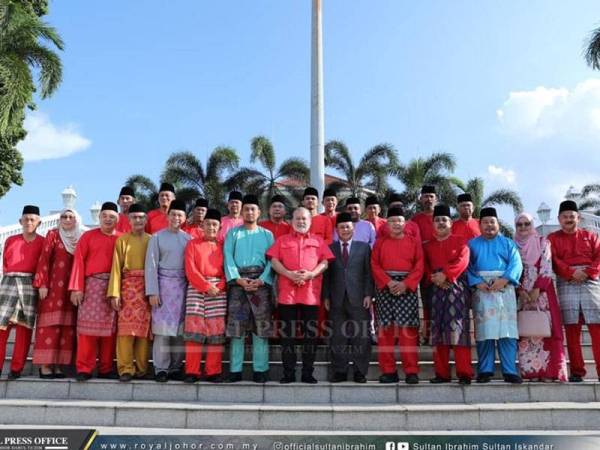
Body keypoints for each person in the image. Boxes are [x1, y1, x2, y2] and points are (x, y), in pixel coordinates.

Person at [268, 207, 334, 383]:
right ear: (291, 221)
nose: (301, 222)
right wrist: (290, 274)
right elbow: (274, 261)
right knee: (287, 336)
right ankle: (288, 374)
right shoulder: (282, 240)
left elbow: (325, 262)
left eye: (304, 219)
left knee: (310, 337)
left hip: (310, 295)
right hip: (287, 295)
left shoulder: (318, 241)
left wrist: (311, 274)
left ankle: (307, 373)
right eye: (297, 218)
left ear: (310, 222)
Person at [467, 207, 523, 384]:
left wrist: (505, 279)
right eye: (485, 222)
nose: (489, 225)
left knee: (508, 331)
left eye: (492, 222)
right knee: (485, 332)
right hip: (482, 290)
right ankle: (485, 370)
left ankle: (510, 370)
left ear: (498, 224)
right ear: (479, 224)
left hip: (504, 288)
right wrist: (476, 281)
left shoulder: (508, 243)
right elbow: (466, 266)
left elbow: (516, 263)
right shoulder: (472, 244)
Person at [547, 200, 600, 382]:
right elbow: (553, 260)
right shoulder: (552, 239)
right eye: (565, 217)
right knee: (572, 330)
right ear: (559, 219)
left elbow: (599, 257)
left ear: (578, 217)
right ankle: (577, 371)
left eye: (572, 216)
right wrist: (570, 272)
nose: (569, 219)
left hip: (590, 282)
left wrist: (587, 272)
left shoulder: (591, 236)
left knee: (597, 329)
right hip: (567, 282)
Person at [224, 194, 274, 383]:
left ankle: (260, 370)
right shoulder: (233, 233)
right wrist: (237, 279)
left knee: (260, 327)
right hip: (239, 284)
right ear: (241, 212)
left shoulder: (267, 234)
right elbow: (228, 256)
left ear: (259, 212)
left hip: (260, 285)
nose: (250, 212)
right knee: (237, 327)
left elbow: (272, 260)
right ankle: (235, 370)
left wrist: (262, 279)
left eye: (253, 209)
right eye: (247, 209)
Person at [371, 207, 424, 384]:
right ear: (387, 223)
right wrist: (388, 282)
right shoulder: (380, 242)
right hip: (385, 288)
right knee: (385, 331)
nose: (396, 224)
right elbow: (374, 265)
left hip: (406, 288)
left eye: (399, 221)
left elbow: (419, 265)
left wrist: (406, 284)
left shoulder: (414, 242)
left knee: (407, 331)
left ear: (405, 223)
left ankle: (411, 371)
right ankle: (388, 371)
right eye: (392, 221)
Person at [69, 202, 121, 381]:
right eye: (105, 216)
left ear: (118, 219)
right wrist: (77, 287)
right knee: (86, 330)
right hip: (91, 285)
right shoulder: (88, 236)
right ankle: (84, 367)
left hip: (114, 287)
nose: (108, 219)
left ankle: (106, 368)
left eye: (112, 217)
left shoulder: (122, 239)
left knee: (111, 330)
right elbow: (78, 261)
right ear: (99, 218)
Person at [514, 212, 568, 382]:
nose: (523, 227)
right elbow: (512, 268)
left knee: (547, 328)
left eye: (527, 224)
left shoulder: (542, 242)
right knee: (526, 329)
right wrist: (520, 290)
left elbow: (546, 266)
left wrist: (537, 289)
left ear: (532, 225)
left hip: (543, 292)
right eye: (519, 224)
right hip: (521, 294)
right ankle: (530, 372)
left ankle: (550, 373)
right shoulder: (512, 245)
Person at [423, 205, 473, 384]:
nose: (441, 223)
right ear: (432, 223)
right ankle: (442, 374)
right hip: (435, 290)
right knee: (438, 332)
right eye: (437, 220)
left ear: (451, 223)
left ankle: (464, 373)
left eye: (444, 220)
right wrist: (435, 278)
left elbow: (463, 261)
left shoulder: (461, 241)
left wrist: (447, 275)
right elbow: (424, 265)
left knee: (458, 331)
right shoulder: (427, 246)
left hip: (456, 289)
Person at [145, 199, 191, 382]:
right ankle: (161, 368)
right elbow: (151, 266)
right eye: (173, 214)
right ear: (167, 216)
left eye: (180, 214)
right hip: (163, 287)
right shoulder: (156, 237)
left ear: (184, 218)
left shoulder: (188, 239)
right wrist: (152, 291)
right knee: (162, 331)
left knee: (180, 332)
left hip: (182, 288)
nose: (176, 217)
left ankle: (176, 366)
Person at [323, 212, 373, 383]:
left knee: (361, 336)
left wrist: (368, 294)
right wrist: (326, 296)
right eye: (341, 227)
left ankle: (360, 371)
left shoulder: (364, 247)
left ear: (353, 228)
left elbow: (368, 273)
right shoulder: (330, 248)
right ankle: (340, 371)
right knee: (338, 336)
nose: (344, 229)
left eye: (347, 226)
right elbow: (327, 275)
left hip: (359, 298)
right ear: (337, 230)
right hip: (336, 298)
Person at [32, 208, 82, 378]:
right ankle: (45, 366)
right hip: (53, 288)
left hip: (71, 289)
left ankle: (59, 365)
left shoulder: (80, 237)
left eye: (70, 216)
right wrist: (42, 284)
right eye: (64, 216)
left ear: (76, 219)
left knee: (67, 327)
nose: (67, 219)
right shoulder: (52, 235)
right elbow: (44, 259)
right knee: (50, 325)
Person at [107, 203, 152, 382]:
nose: (138, 220)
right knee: (125, 332)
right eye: (134, 217)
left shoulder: (152, 240)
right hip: (127, 290)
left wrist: (154, 292)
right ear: (129, 219)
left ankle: (142, 369)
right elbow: (116, 268)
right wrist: (114, 293)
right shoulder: (122, 240)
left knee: (143, 332)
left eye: (141, 217)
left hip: (146, 290)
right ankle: (125, 369)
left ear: (146, 220)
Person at [0, 205, 44, 379]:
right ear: (20, 221)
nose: (29, 222)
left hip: (29, 284)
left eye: (32, 219)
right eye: (26, 219)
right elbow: (5, 263)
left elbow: (44, 265)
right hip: (9, 283)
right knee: (2, 328)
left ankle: (16, 369)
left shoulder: (42, 242)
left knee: (24, 329)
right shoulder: (11, 240)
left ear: (39, 222)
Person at [183, 209, 227, 383]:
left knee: (216, 331)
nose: (211, 227)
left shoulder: (224, 245)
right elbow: (190, 269)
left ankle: (213, 371)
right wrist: (206, 286)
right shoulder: (192, 244)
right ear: (202, 225)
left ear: (220, 226)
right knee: (194, 331)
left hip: (218, 289)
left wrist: (220, 286)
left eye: (214, 224)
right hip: (196, 287)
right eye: (208, 223)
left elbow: (229, 268)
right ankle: (192, 371)